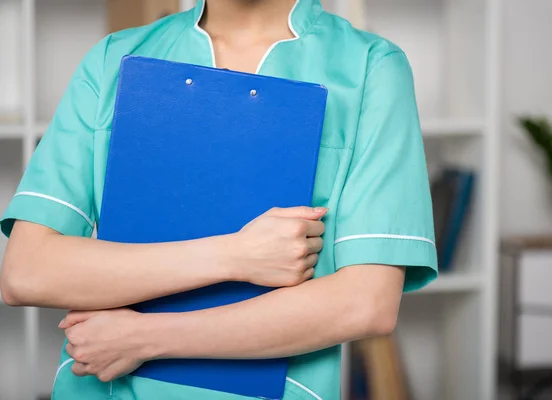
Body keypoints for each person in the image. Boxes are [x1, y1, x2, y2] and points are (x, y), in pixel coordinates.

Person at [0, 0, 437, 399]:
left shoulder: (369, 68)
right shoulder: (113, 59)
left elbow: (366, 304)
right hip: (101, 386)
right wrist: (233, 255)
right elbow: (27, 271)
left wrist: (145, 337)